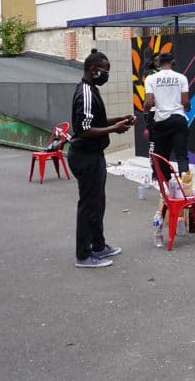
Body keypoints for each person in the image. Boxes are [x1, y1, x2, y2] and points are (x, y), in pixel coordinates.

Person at [70, 49, 135, 268]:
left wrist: (118, 120)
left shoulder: (91, 90)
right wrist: (113, 129)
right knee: (88, 205)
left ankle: (98, 245)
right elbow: (83, 129)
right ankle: (83, 255)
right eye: (104, 71)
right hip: (85, 156)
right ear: (92, 69)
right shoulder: (86, 92)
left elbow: (96, 120)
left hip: (94, 154)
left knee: (98, 203)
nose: (106, 75)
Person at [144, 51, 191, 246]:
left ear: (158, 63)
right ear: (172, 62)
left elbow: (148, 103)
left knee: (161, 159)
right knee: (181, 156)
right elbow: (186, 103)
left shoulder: (151, 78)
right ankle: (184, 190)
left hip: (161, 122)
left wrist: (153, 106)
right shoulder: (181, 77)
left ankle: (166, 192)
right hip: (178, 120)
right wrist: (177, 106)